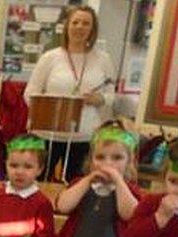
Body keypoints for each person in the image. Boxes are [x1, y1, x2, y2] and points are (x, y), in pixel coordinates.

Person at [24, 5, 115, 181]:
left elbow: (112, 95)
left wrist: (100, 98)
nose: (80, 27)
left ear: (93, 29)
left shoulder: (103, 59)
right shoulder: (50, 57)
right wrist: (49, 107)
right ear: (67, 26)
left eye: (86, 23)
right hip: (48, 133)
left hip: (84, 136)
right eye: (75, 22)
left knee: (76, 185)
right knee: (38, 181)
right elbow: (30, 93)